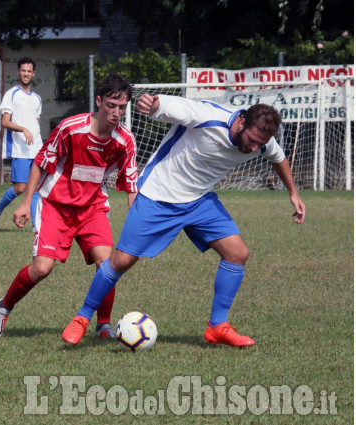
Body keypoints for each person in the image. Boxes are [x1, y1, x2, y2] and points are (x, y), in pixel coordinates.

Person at [62, 93, 306, 347]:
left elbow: (278, 158)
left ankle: (218, 327)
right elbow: (168, 106)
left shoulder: (262, 141)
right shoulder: (208, 117)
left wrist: (293, 192)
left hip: (199, 201)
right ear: (241, 121)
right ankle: (82, 318)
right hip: (158, 195)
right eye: (253, 141)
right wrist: (153, 104)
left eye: (260, 144)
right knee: (121, 260)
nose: (255, 148)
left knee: (237, 253)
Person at [0, 74, 139, 340]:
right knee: (42, 269)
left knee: (108, 263)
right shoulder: (71, 128)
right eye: (111, 105)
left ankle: (103, 325)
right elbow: (40, 163)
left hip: (92, 207)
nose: (116, 112)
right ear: (99, 101)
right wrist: (24, 204)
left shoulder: (125, 141)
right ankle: (3, 308)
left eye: (122, 107)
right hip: (55, 205)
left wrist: (138, 226)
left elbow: (131, 185)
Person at [0, 57, 42, 231]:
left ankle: (36, 227)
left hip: (36, 149)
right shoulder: (11, 94)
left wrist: (35, 135)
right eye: (23, 70)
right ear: (18, 72)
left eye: (29, 71)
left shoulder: (37, 98)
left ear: (33, 73)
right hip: (20, 150)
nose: (26, 74)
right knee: (20, 188)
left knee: (35, 189)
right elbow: (5, 122)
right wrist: (24, 130)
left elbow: (36, 122)